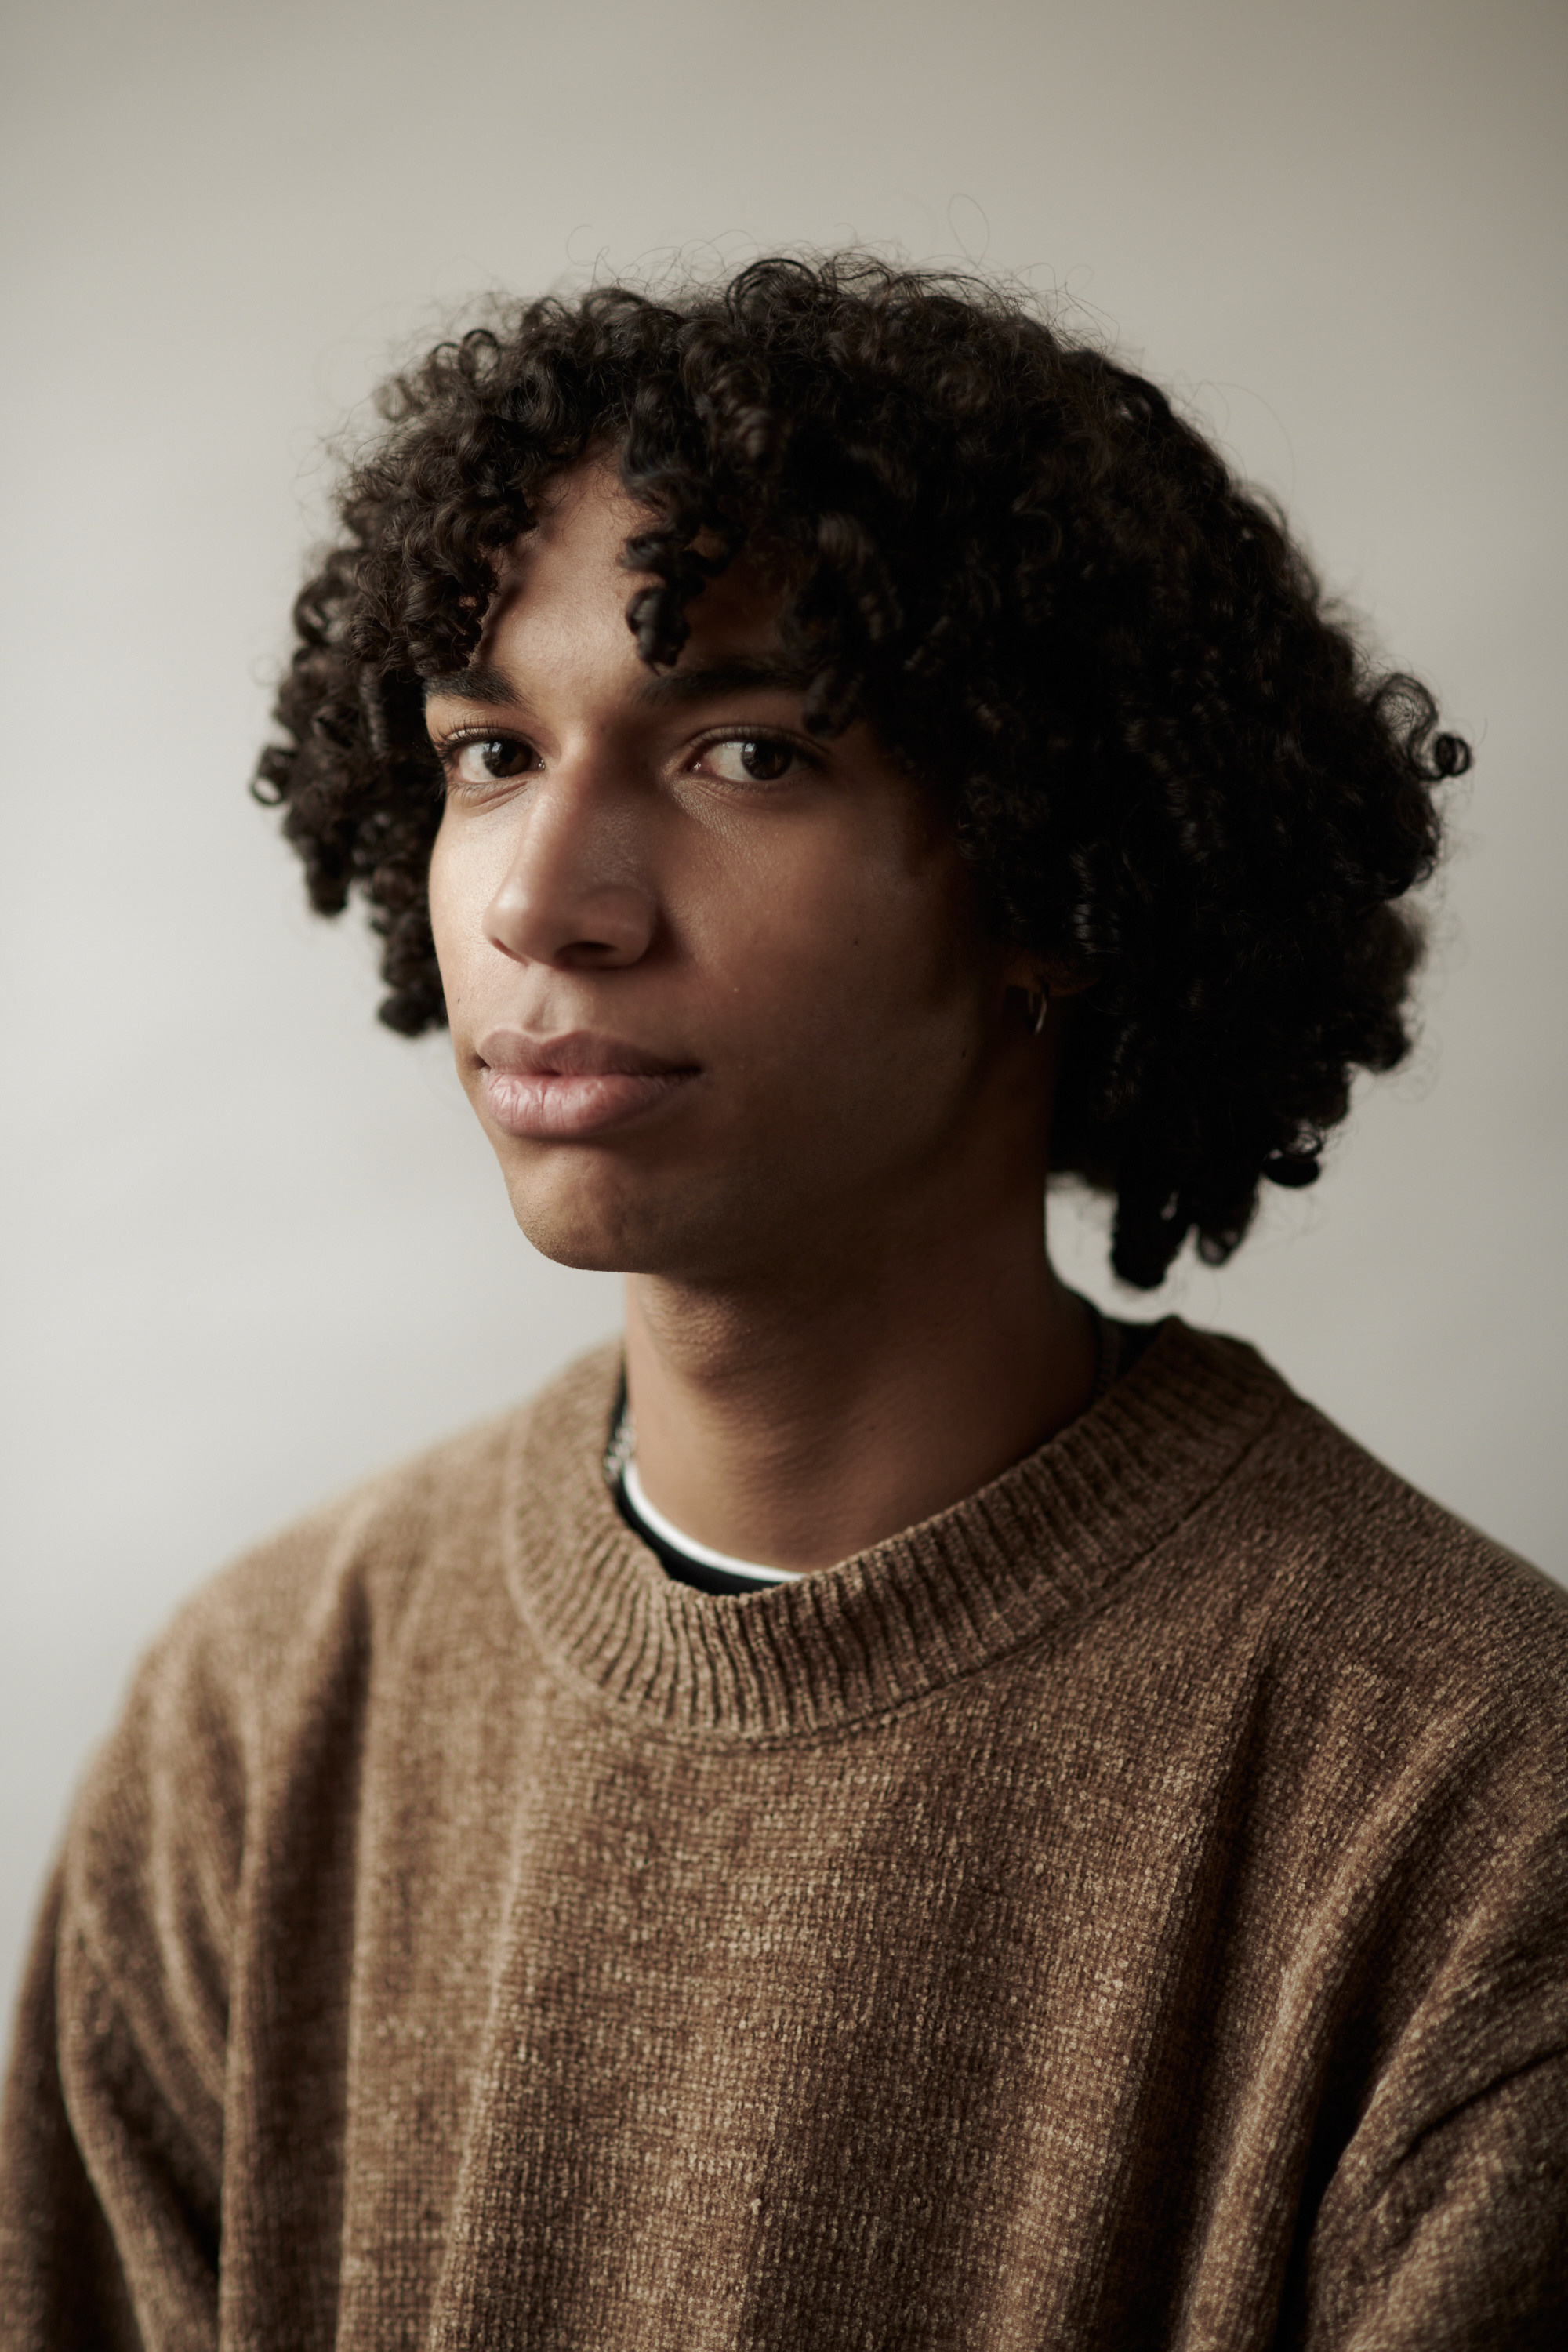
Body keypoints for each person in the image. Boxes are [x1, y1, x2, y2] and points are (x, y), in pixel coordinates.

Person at [2, 255, 1563, 2350]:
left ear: (1058, 877)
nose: (548, 899)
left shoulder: (1476, 1811)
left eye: (743, 752)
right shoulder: (264, 1721)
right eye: (485, 754)